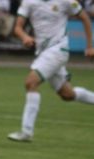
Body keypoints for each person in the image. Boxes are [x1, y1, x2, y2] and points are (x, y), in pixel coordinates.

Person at [8, 0, 94, 142]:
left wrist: (90, 46)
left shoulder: (66, 1)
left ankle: (26, 132)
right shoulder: (29, 2)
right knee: (67, 94)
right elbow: (17, 27)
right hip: (43, 52)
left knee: (31, 82)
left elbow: (84, 17)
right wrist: (25, 37)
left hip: (59, 49)